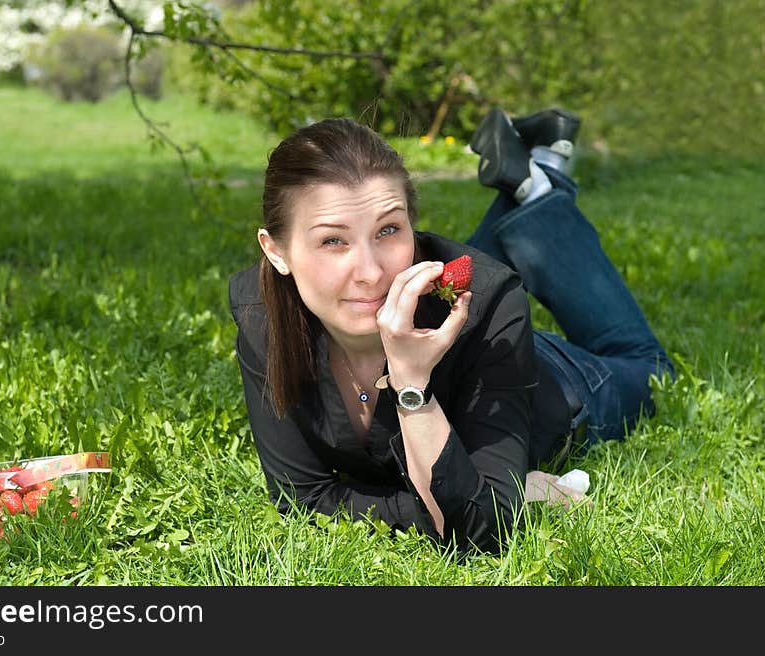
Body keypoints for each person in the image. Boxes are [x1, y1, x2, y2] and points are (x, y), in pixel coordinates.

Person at [228, 108, 674, 554]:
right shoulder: (260, 311)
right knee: (476, 277)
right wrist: (497, 494)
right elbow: (302, 500)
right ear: (276, 251)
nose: (368, 272)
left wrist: (410, 382)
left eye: (388, 229)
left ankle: (540, 188)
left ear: (414, 231)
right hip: (463, 329)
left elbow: (480, 532)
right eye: (332, 240)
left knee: (651, 366)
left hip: (547, 374)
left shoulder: (490, 304)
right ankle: (537, 176)